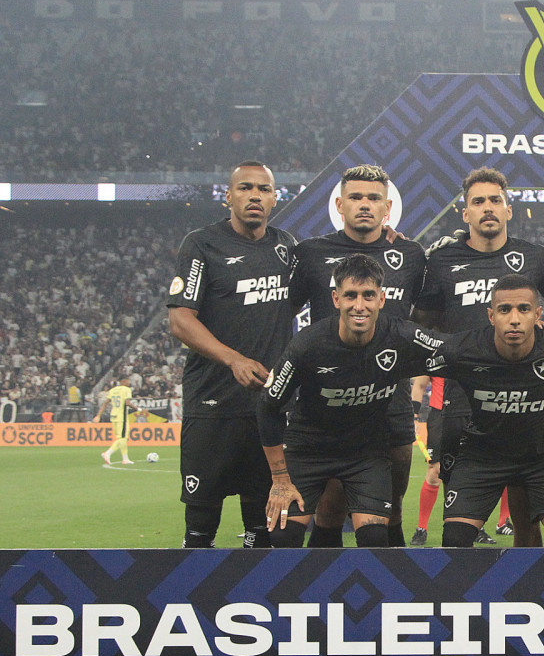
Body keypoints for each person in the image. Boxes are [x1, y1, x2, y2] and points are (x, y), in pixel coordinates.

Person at [414, 167, 544, 547]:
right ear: (465, 213)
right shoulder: (440, 263)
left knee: (526, 521)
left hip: (528, 406)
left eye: (495, 200)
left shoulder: (534, 258)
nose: (487, 208)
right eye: (478, 202)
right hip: (463, 407)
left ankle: (531, 597)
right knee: (458, 530)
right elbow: (420, 326)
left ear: (508, 209)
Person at [259, 254, 444, 547]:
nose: (360, 305)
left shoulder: (400, 336)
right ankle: (310, 592)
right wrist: (280, 479)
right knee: (282, 537)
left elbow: (454, 351)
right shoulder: (307, 345)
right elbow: (267, 406)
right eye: (351, 296)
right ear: (335, 299)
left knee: (374, 538)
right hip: (309, 450)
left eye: (368, 295)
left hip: (365, 453)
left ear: (381, 299)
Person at [426, 273, 544, 548]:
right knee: (455, 541)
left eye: (524, 309)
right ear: (491, 315)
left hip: (543, 456)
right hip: (482, 455)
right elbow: (407, 359)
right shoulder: (464, 348)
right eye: (505, 310)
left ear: (537, 314)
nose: (515, 318)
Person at [290, 164, 426, 548]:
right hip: (329, 403)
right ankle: (324, 596)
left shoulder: (411, 254)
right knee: (330, 507)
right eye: (356, 197)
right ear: (339, 204)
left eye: (373, 198)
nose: (364, 205)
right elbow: (279, 313)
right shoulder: (313, 254)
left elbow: (429, 318)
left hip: (391, 401)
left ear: (387, 207)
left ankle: (394, 593)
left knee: (393, 505)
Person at [167, 161, 296, 549]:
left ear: (274, 198)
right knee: (200, 525)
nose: (254, 195)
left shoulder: (286, 247)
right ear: (228, 196)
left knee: (263, 528)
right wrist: (233, 359)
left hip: (267, 413)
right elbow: (180, 320)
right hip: (213, 405)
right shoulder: (201, 244)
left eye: (263, 189)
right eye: (244, 188)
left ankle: (258, 603)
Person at [94, 376, 138, 465]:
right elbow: (127, 403)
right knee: (123, 438)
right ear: (124, 381)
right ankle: (108, 453)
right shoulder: (126, 389)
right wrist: (139, 409)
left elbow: (105, 403)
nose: (129, 383)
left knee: (122, 438)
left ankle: (125, 459)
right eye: (128, 381)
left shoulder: (113, 390)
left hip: (113, 416)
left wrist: (98, 416)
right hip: (122, 416)